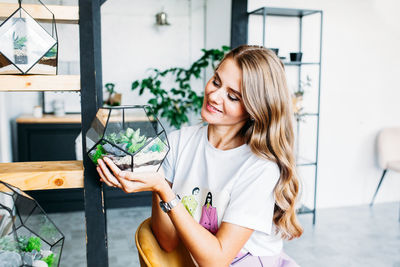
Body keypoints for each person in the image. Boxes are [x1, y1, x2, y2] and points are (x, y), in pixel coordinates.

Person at [97, 45, 303, 266]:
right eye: (216, 81)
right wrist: (156, 182)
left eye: (232, 96)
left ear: (256, 109)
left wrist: (165, 190)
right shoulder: (178, 142)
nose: (214, 96)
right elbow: (167, 242)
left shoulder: (260, 167)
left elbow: (216, 261)